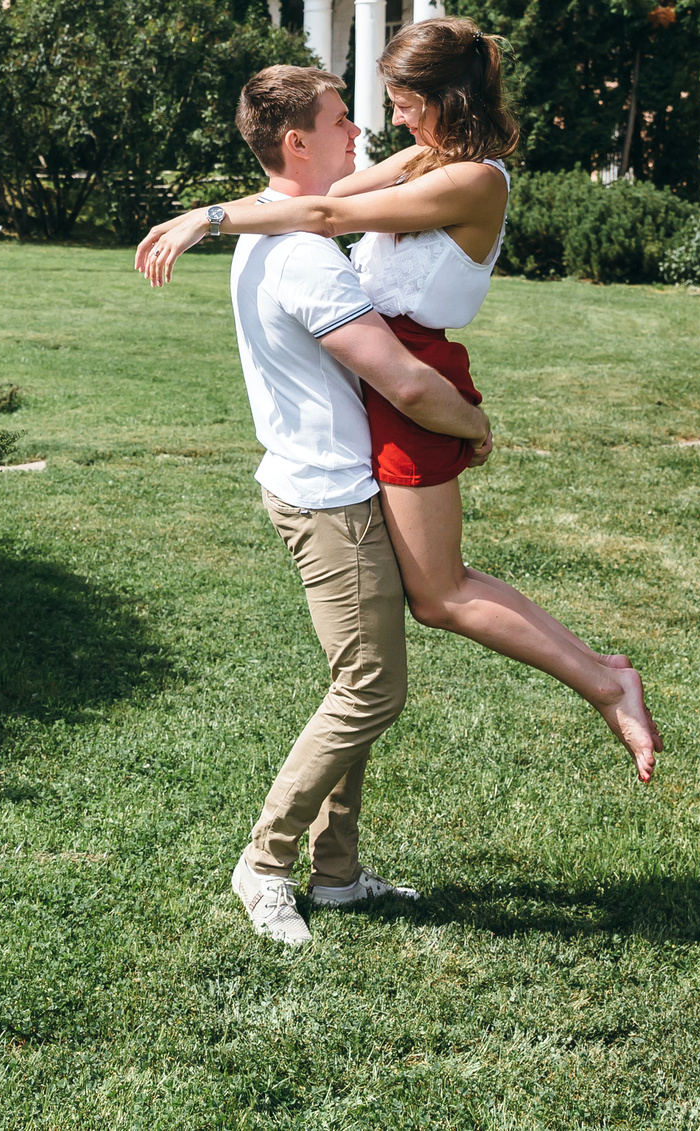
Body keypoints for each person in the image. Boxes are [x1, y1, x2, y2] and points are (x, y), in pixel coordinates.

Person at [138, 20, 661, 785]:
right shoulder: (431, 156)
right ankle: (604, 669)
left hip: (413, 374)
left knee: (441, 593)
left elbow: (324, 215)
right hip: (391, 367)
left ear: (447, 97)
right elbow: (319, 194)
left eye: (406, 103)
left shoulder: (472, 179)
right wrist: (231, 207)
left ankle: (607, 683)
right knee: (445, 581)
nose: (395, 122)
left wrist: (207, 217)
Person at [208, 64, 496, 947]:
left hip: (315, 481)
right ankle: (266, 862)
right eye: (341, 121)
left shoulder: (275, 231)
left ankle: (335, 874)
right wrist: (475, 423)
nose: (359, 133)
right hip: (331, 498)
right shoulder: (305, 256)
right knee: (371, 687)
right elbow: (406, 380)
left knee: (355, 679)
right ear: (298, 143)